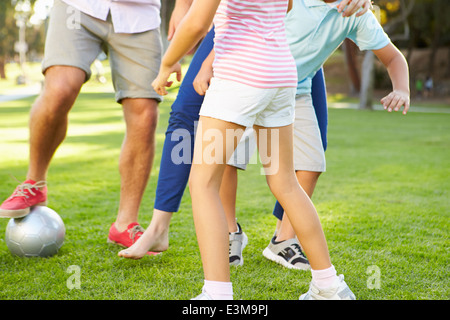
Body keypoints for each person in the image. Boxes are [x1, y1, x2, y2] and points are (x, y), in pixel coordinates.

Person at [117, 0, 372, 266]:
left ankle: (254, 262)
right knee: (280, 177)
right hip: (276, 61)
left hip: (259, 54)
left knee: (205, 181)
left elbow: (197, 24)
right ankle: (328, 282)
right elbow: (285, 7)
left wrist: (167, 63)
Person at [0, 0, 179, 254]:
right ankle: (34, 184)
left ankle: (125, 223)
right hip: (78, 6)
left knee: (145, 114)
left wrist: (183, 7)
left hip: (140, 16)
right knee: (60, 89)